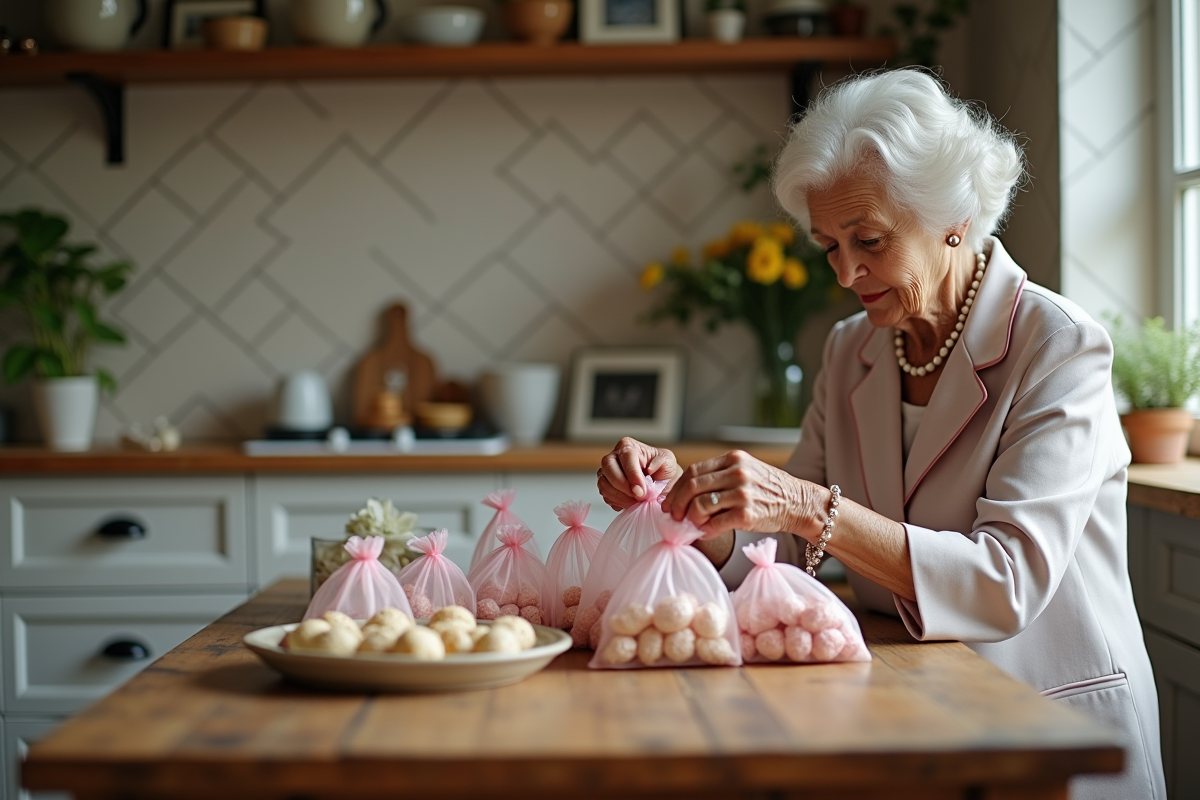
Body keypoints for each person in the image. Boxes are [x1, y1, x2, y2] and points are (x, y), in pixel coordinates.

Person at [596, 70, 1164, 800]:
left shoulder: (1058, 347)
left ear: (953, 217)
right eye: (828, 245)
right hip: (906, 708)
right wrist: (695, 507)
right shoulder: (853, 348)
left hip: (1046, 728)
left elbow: (1004, 583)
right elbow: (789, 548)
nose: (846, 272)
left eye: (868, 239)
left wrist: (805, 504)